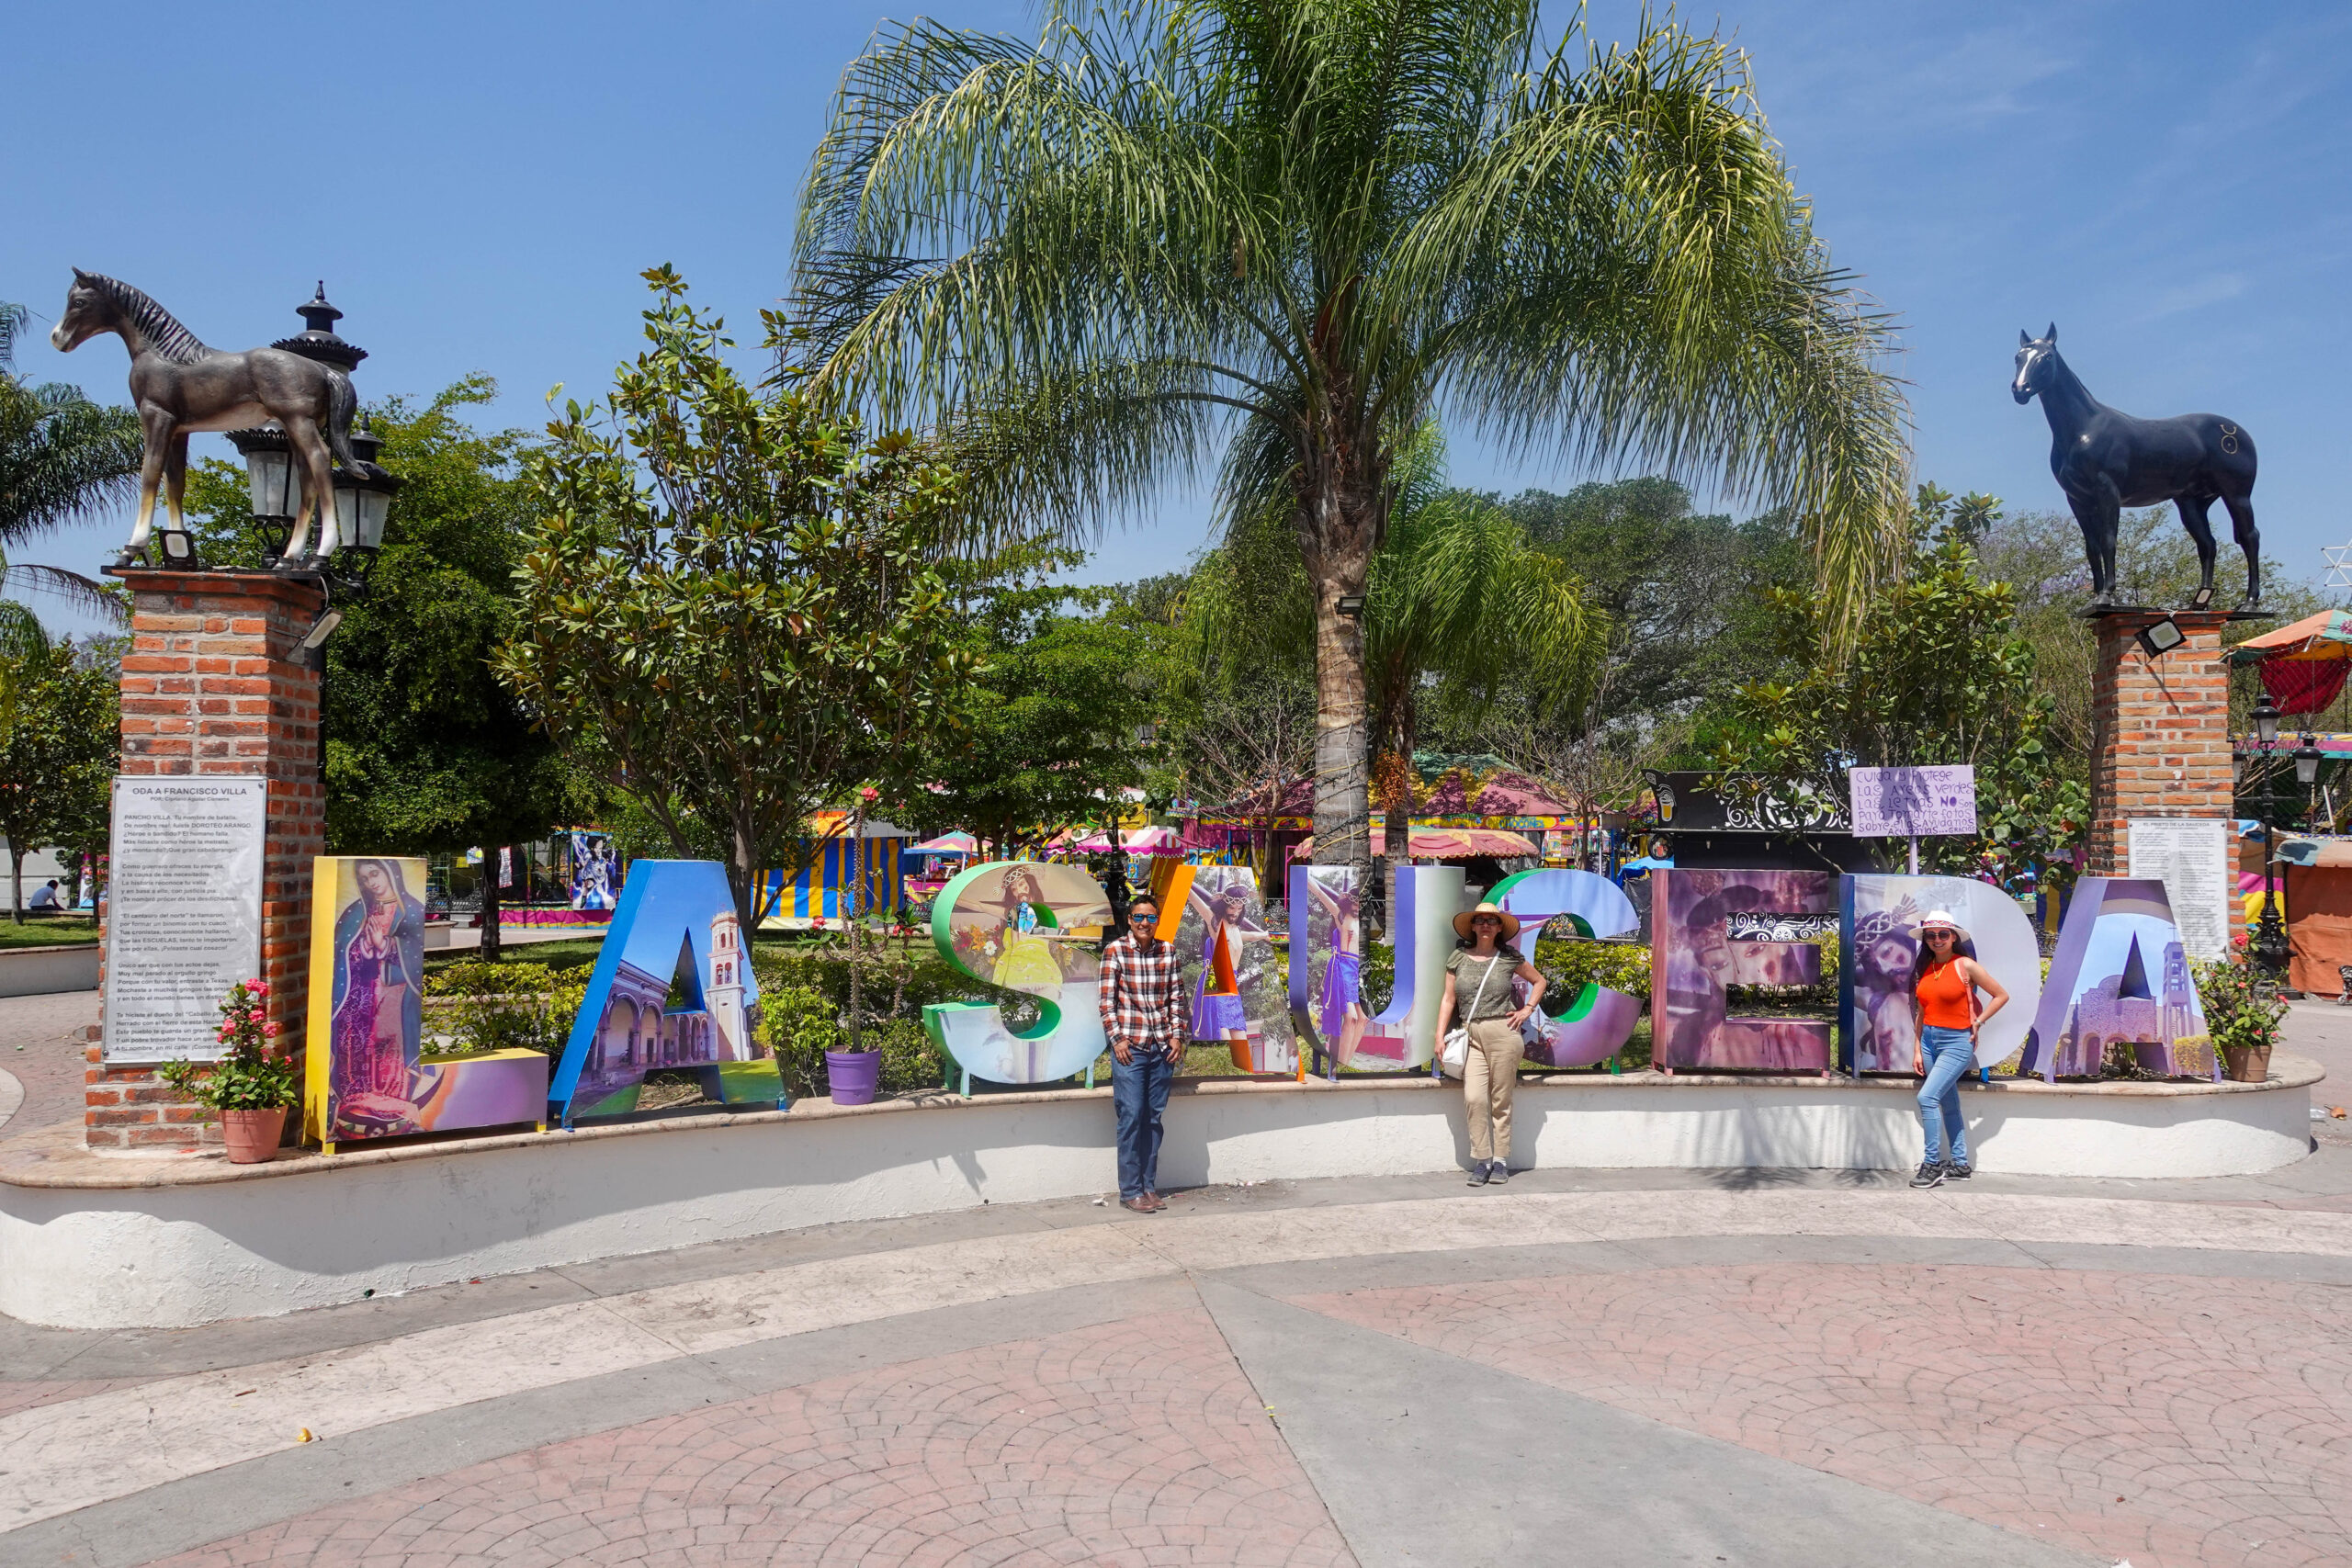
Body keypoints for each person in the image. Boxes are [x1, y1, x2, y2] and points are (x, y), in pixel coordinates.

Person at [1434, 901, 1547, 1186]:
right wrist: (1439, 1035)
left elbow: (1539, 981)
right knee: (1473, 1098)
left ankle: (1500, 1161)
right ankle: (1482, 1159)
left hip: (1503, 1032)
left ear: (1499, 928)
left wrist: (1527, 1010)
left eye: (1492, 920)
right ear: (1472, 926)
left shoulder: (1509, 957)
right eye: (1480, 919)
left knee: (1501, 1100)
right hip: (1469, 1033)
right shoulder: (1458, 957)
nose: (1485, 924)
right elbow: (1449, 999)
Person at [1097, 893, 1187, 1213]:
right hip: (1130, 1049)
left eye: (1150, 917)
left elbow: (1177, 999)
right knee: (1132, 1117)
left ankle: (1149, 1187)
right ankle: (1130, 1190)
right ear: (1129, 920)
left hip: (1162, 1048)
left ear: (1157, 920)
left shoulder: (1168, 952)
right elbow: (1107, 1003)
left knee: (1153, 1118)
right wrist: (1117, 1040)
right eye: (1138, 917)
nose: (1144, 923)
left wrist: (1177, 1037)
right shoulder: (1115, 951)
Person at [1908, 909, 2010, 1188]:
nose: (1937, 940)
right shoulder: (1927, 969)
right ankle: (1960, 1164)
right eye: (1931, 935)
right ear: (1926, 939)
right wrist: (1918, 1048)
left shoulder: (1965, 965)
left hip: (1956, 1042)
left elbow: (2001, 995)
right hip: (1929, 1041)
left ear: (1953, 937)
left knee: (1927, 1099)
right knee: (1948, 1103)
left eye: (1943, 934)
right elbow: (1921, 1012)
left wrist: (1979, 1021)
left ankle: (1931, 1164)